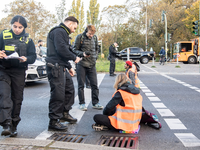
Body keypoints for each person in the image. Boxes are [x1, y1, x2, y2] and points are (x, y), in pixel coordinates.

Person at [0, 15, 36, 137]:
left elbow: (33, 57)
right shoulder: (3, 35)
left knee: (17, 98)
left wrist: (26, 59)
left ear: (24, 28)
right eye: (14, 26)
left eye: (20, 27)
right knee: (4, 95)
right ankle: (6, 124)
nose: (17, 29)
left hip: (19, 72)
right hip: (3, 70)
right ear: (11, 25)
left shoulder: (28, 40)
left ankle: (14, 126)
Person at [46, 16, 81, 131]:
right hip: (55, 67)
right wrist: (74, 58)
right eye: (74, 28)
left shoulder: (63, 33)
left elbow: (62, 52)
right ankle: (53, 121)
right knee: (58, 94)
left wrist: (69, 67)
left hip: (62, 66)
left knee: (69, 90)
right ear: (70, 24)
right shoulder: (59, 31)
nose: (74, 30)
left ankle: (64, 114)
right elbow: (61, 49)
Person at [72, 24, 103, 111]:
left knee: (95, 85)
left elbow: (97, 49)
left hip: (92, 65)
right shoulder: (80, 37)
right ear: (86, 31)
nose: (91, 35)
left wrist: (95, 57)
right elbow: (74, 50)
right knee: (81, 85)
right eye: (90, 34)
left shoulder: (95, 38)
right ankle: (82, 103)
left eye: (92, 34)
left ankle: (95, 103)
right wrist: (83, 54)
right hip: (81, 64)